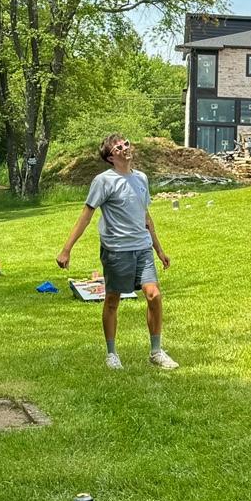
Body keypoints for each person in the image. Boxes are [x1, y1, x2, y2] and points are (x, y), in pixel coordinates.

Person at [55, 134, 175, 370]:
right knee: (112, 300)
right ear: (111, 157)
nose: (125, 148)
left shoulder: (141, 178)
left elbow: (145, 217)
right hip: (117, 250)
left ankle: (156, 351)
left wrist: (159, 250)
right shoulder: (103, 181)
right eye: (119, 147)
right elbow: (86, 216)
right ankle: (111, 354)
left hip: (142, 248)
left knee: (154, 296)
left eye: (126, 143)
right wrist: (66, 250)